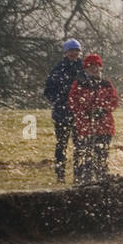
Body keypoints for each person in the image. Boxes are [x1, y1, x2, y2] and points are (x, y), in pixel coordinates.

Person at [67, 54, 118, 183]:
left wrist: (102, 109)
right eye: (91, 67)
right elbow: (73, 103)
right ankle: (82, 181)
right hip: (84, 126)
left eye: (96, 66)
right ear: (85, 69)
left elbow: (114, 101)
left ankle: (102, 180)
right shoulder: (79, 83)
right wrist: (86, 111)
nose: (94, 69)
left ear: (100, 67)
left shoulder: (106, 84)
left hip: (104, 127)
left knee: (101, 155)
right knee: (84, 155)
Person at [43, 39, 83, 182]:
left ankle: (78, 174)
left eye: (76, 50)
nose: (74, 53)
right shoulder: (58, 68)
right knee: (61, 144)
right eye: (71, 50)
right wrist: (59, 101)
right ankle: (60, 175)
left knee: (80, 144)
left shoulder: (83, 67)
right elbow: (48, 90)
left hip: (79, 113)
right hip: (61, 113)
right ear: (65, 52)